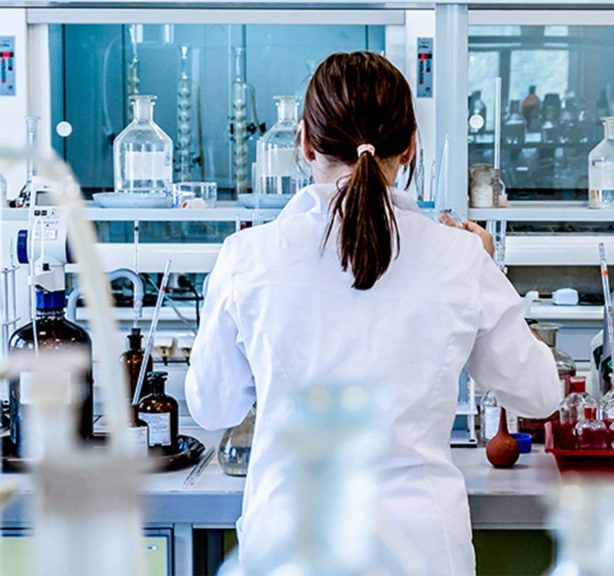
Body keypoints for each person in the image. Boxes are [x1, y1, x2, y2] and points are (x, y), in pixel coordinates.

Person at [185, 51, 561, 575]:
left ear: (305, 143)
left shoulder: (248, 257)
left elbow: (213, 408)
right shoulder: (459, 257)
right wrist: (489, 271)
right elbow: (540, 394)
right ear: (408, 147)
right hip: (420, 550)